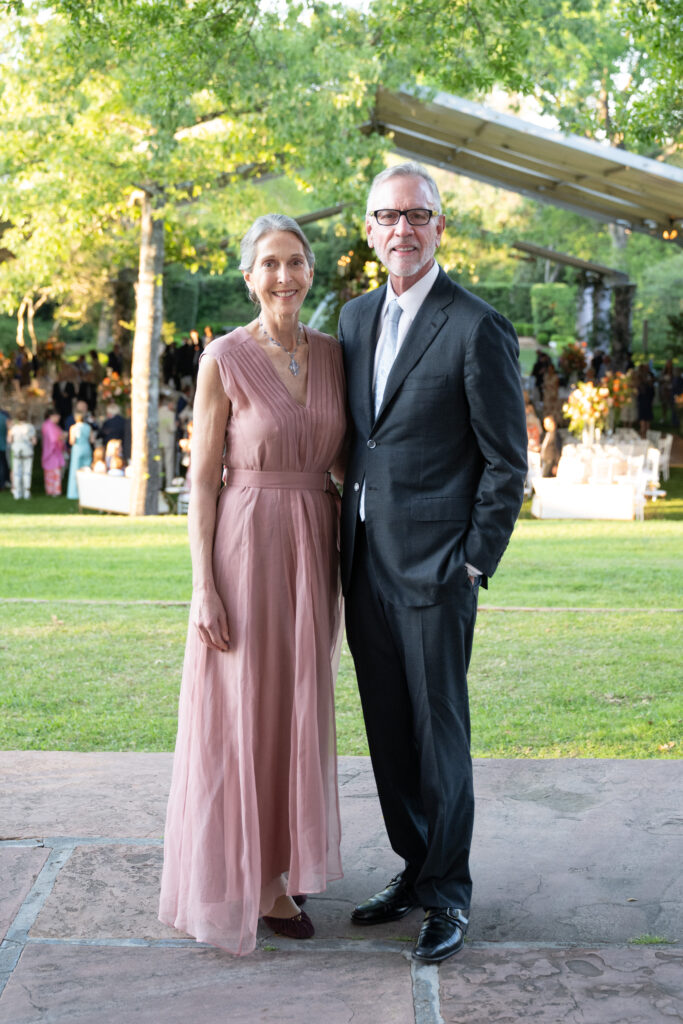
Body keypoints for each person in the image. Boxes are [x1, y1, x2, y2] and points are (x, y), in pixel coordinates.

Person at [338, 162, 527, 964]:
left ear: (439, 227)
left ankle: (448, 894)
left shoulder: (474, 325)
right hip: (363, 567)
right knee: (388, 732)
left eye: (417, 216)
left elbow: (505, 463)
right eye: (388, 216)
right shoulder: (349, 320)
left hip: (438, 572)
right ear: (371, 231)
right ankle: (415, 867)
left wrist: (473, 562)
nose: (402, 230)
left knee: (438, 735)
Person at [159, 213, 346, 956]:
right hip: (245, 544)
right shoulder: (223, 359)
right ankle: (255, 878)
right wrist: (202, 585)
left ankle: (282, 857)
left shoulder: (335, 355)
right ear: (247, 276)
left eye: (295, 262)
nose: (283, 276)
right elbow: (201, 480)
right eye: (268, 263)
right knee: (244, 709)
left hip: (314, 546)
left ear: (310, 271)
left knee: (295, 704)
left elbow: (351, 461)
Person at [8, 408, 37, 499]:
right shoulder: (30, 427)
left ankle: (17, 492)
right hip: (27, 450)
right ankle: (26, 492)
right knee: (27, 472)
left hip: (17, 450)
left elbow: (9, 440)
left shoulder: (14, 428)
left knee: (17, 472)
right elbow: (34, 441)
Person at [66, 411, 93, 500]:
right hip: (86, 448)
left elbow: (72, 441)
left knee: (75, 470)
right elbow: (92, 440)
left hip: (77, 449)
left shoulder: (73, 428)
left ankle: (74, 493)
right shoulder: (88, 427)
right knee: (87, 469)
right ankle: (87, 492)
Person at [41, 408, 66, 496]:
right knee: (53, 471)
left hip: (53, 451)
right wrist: (63, 437)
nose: (59, 417)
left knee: (52, 471)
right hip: (52, 452)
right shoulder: (49, 426)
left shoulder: (50, 425)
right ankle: (54, 490)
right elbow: (53, 439)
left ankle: (51, 490)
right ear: (52, 416)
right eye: (57, 416)